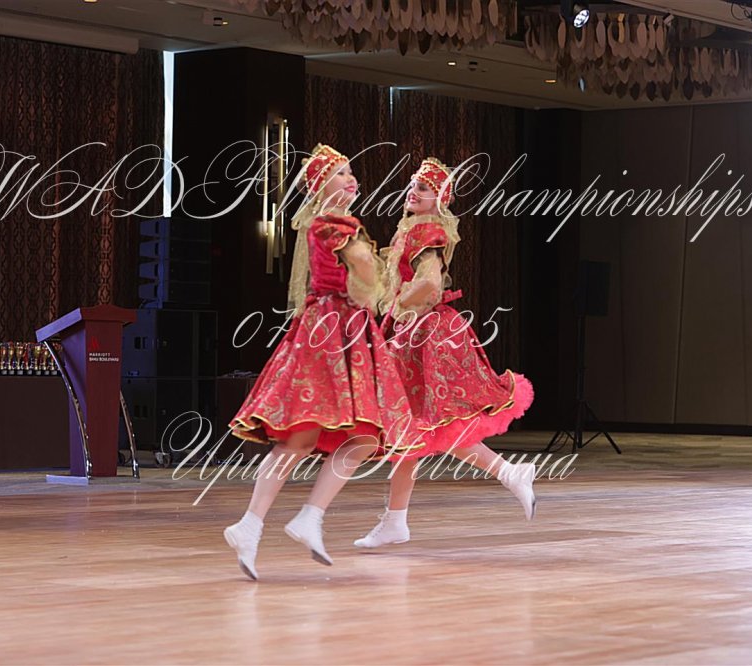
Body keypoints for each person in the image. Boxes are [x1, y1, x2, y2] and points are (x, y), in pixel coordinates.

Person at [223, 144, 416, 580]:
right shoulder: (334, 223)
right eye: (341, 173)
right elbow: (364, 268)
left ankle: (272, 521)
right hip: (334, 330)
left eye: (351, 172)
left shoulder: (330, 223)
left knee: (326, 437)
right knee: (336, 434)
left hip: (340, 327)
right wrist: (384, 273)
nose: (351, 179)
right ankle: (277, 520)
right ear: (319, 185)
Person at [354, 157, 537, 549]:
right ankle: (396, 520)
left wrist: (399, 305)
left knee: (432, 424)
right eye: (412, 185)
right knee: (411, 429)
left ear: (440, 199)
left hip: (425, 333)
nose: (413, 192)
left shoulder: (428, 232)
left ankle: (508, 473)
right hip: (415, 330)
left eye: (423, 188)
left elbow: (431, 285)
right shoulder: (413, 228)